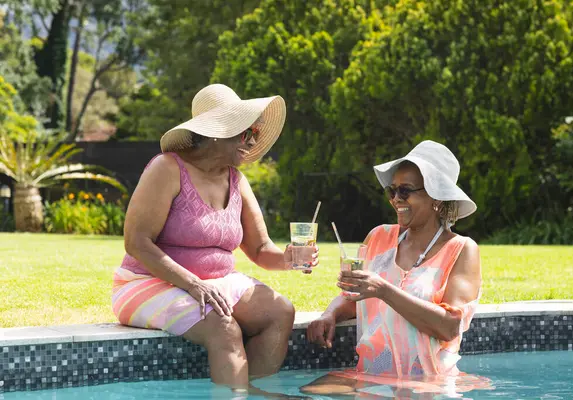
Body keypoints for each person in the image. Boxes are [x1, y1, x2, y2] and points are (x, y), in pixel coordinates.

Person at [111, 84, 318, 395]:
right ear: (219, 131)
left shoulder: (236, 179)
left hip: (215, 283)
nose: (252, 140)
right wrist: (193, 284)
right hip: (147, 282)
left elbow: (260, 249)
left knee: (280, 312)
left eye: (255, 133)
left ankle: (247, 392)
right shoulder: (167, 168)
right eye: (247, 132)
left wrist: (289, 258)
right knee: (224, 327)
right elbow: (137, 243)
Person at [302, 140, 491, 398]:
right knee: (306, 393)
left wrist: (383, 290)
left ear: (436, 197)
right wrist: (330, 314)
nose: (395, 199)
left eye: (405, 191)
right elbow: (355, 298)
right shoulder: (379, 238)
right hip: (372, 375)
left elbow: (449, 326)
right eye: (392, 191)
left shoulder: (461, 250)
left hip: (429, 382)